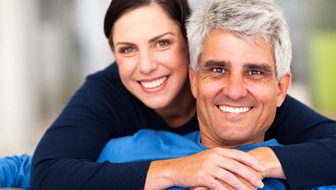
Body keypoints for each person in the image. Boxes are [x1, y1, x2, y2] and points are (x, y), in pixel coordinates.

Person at [25, 0, 336, 189]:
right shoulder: (107, 94)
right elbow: (45, 171)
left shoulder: (242, 94)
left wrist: (251, 162)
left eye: (162, 43)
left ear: (189, 44)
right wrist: (177, 170)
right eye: (128, 49)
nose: (146, 66)